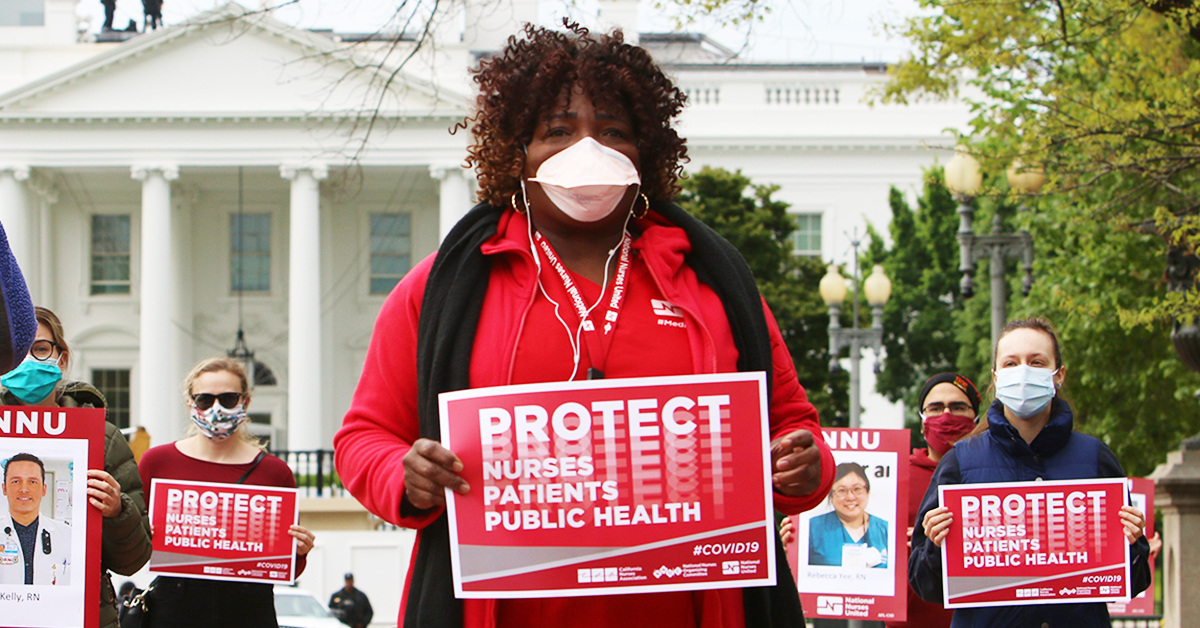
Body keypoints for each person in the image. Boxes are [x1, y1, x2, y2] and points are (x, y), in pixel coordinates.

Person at [334, 22, 835, 628]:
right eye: (559, 131)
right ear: (516, 151)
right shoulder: (438, 288)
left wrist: (804, 467)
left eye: (614, 132)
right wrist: (405, 476)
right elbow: (363, 439)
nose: (588, 149)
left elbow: (791, 422)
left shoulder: (714, 285)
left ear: (644, 154)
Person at [909, 317, 1152, 627]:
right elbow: (925, 585)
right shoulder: (959, 463)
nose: (1023, 372)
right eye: (1011, 364)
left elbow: (1134, 582)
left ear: (1058, 375)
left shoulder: (1095, 459)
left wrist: (1131, 544)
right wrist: (935, 545)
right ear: (996, 377)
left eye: (1037, 362)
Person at [0, 307, 151, 626]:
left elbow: (134, 560)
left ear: (62, 359)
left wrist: (116, 511)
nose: (28, 360)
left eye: (40, 349)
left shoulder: (104, 439)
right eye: (16, 349)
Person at [138, 357, 315, 628]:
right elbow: (129, 549)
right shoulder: (157, 462)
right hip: (174, 607)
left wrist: (300, 550)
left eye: (229, 399)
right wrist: (141, 536)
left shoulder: (274, 473)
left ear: (245, 402)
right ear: (191, 404)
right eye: (205, 400)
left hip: (248, 610)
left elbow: (284, 564)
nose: (216, 408)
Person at [887, 372, 980, 628]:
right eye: (936, 408)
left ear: (976, 418)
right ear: (922, 420)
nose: (947, 416)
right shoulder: (892, 476)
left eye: (958, 407)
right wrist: (801, 537)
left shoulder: (993, 473)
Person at [0, 453, 71, 585]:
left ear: (44, 489)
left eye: (32, 482)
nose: (24, 489)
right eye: (16, 481)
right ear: (4, 488)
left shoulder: (68, 536)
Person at [807, 462, 889, 568]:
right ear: (831, 496)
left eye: (857, 489)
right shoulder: (812, 528)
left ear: (867, 491)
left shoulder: (886, 529)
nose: (850, 497)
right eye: (842, 490)